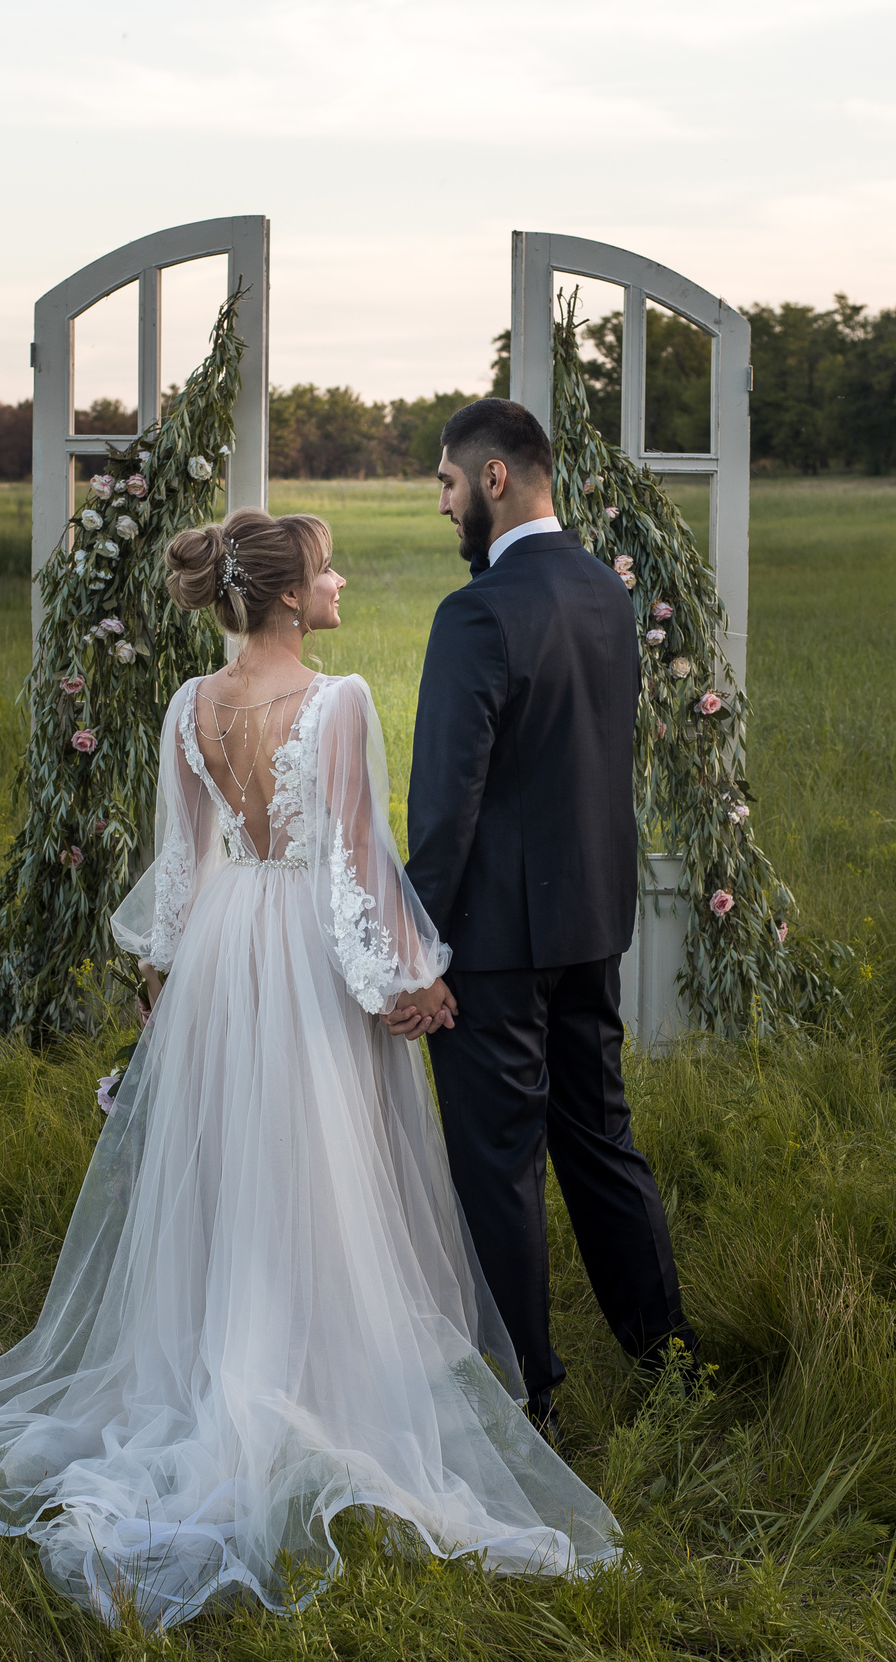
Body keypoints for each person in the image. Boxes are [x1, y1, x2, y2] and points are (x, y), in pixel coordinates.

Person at [0, 507, 617, 1630]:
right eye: (327, 567)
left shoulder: (187, 704)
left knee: (240, 1153)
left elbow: (182, 863)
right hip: (299, 946)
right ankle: (305, 1372)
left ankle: (226, 1353)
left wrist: (164, 986)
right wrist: (407, 975)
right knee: (319, 1159)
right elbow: (352, 860)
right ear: (290, 596)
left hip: (222, 948)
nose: (341, 579)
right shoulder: (339, 699)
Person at [389, 398, 694, 1440]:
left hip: (495, 941)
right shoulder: (606, 592)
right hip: (592, 919)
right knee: (600, 1137)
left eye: (444, 481)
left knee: (500, 1160)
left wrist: (416, 945)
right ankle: (669, 1355)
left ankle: (531, 1393)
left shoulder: (474, 613)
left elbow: (445, 805)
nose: (440, 503)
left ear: (495, 480)